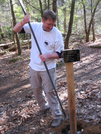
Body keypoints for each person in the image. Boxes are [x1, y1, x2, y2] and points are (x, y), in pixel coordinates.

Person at [13, 10, 64, 127]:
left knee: (50, 91)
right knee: (36, 89)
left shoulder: (57, 33)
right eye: (48, 24)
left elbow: (60, 53)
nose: (51, 27)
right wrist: (23, 22)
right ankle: (44, 107)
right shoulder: (34, 27)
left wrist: (48, 56)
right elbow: (15, 29)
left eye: (53, 24)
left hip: (48, 68)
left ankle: (57, 115)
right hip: (34, 66)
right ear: (43, 21)